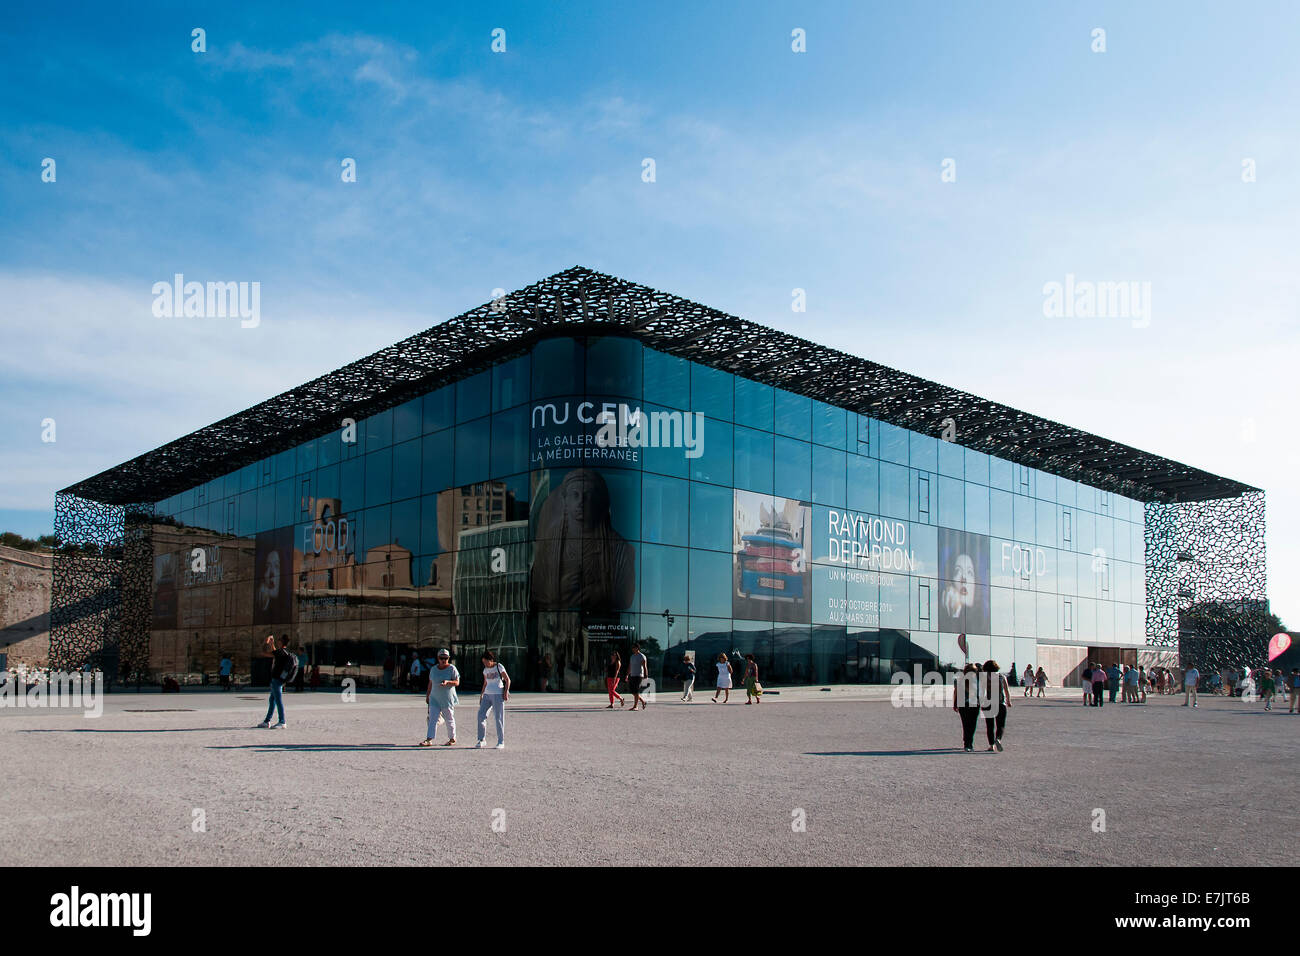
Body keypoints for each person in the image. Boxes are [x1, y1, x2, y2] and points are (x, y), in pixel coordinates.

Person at [421, 649, 460, 746]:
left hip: (447, 699)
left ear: (448, 658)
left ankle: (452, 739)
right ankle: (429, 739)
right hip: (434, 698)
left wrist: (448, 682)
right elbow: (430, 683)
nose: (444, 660)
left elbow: (457, 682)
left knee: (449, 718)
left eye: (446, 658)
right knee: (432, 719)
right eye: (441, 658)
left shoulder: (452, 668)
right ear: (438, 658)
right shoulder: (433, 669)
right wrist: (428, 695)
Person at [256, 633, 294, 729]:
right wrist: (272, 644)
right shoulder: (284, 652)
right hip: (279, 679)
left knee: (278, 700)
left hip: (276, 679)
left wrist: (266, 642)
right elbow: (275, 653)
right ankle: (267, 721)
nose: (278, 641)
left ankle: (282, 721)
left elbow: (263, 653)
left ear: (281, 642)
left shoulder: (280, 652)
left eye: (279, 640)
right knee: (272, 700)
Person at [475, 650, 510, 749]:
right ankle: (481, 739)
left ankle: (501, 741)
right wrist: (481, 695)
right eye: (483, 662)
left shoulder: (499, 666)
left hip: (498, 694)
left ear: (491, 660)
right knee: (481, 715)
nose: (485, 664)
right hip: (487, 694)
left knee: (498, 718)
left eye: (486, 662)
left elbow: (507, 680)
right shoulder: (485, 670)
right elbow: (485, 683)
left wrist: (505, 692)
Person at [980, 660, 1011, 752]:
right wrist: (1008, 701)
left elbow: (982, 692)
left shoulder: (984, 678)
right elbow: (1006, 690)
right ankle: (998, 739)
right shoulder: (1002, 677)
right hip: (1001, 703)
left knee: (989, 725)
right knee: (1000, 724)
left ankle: (991, 745)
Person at [953, 662, 982, 752]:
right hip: (973, 705)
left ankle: (967, 743)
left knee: (966, 724)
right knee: (972, 725)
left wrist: (955, 703)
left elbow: (956, 693)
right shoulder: (978, 680)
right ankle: (969, 743)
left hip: (964, 705)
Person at [626, 642, 650, 710]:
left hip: (639, 675)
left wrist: (646, 676)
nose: (632, 649)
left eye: (634, 647)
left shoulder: (642, 656)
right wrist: (627, 675)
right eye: (632, 648)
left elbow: (645, 667)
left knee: (636, 691)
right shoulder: (632, 656)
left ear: (637, 648)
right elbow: (630, 666)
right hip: (632, 675)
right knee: (632, 691)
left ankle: (635, 706)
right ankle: (643, 701)